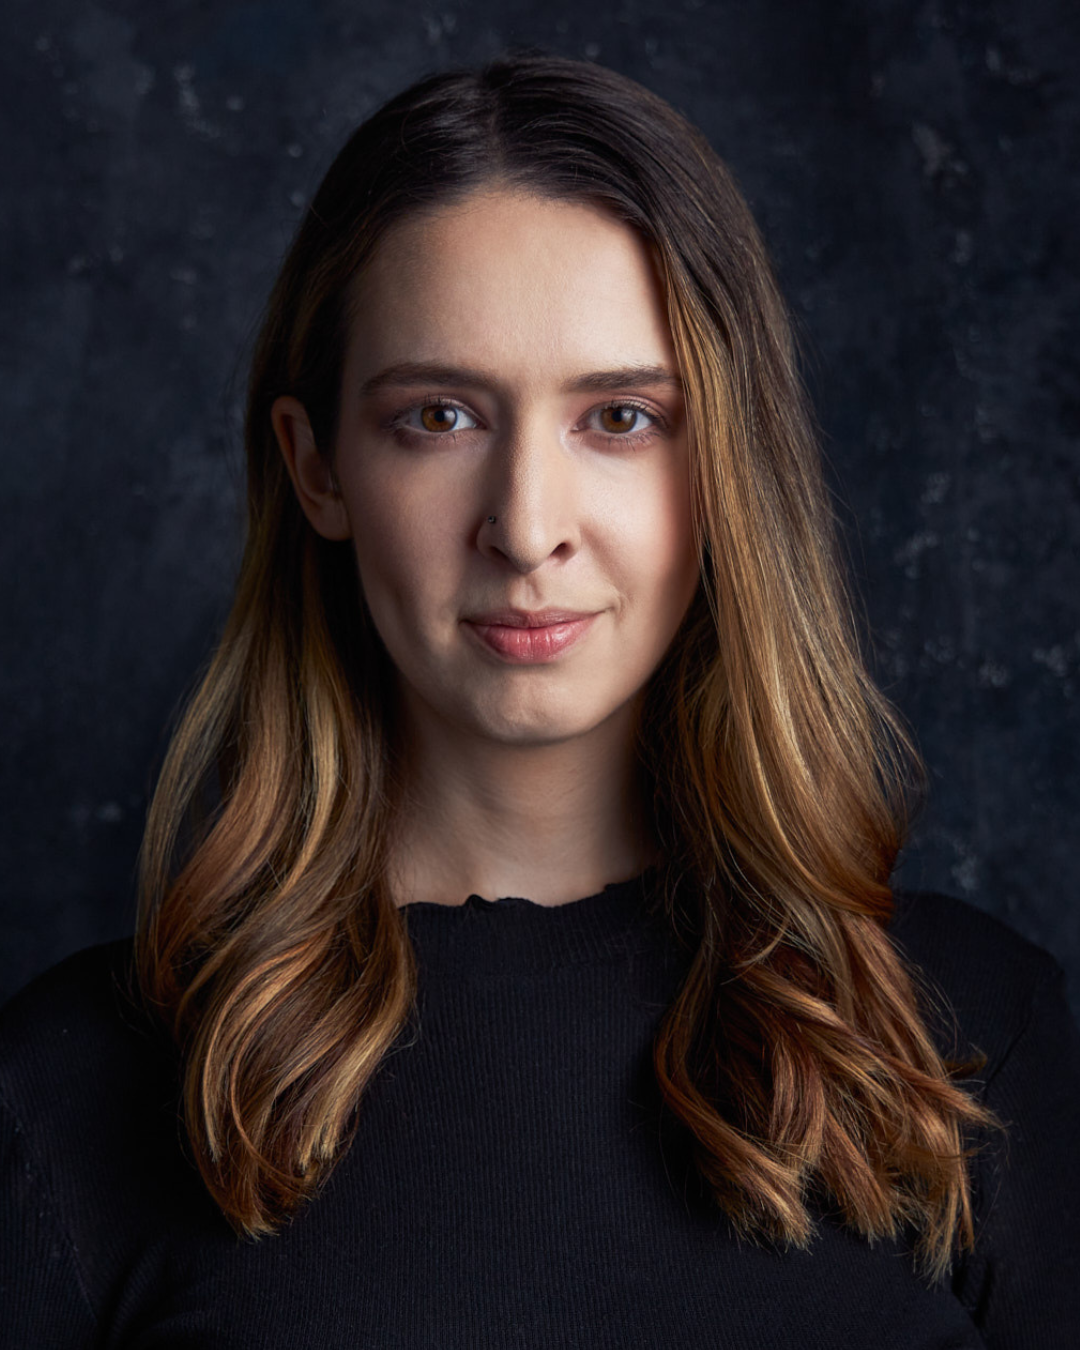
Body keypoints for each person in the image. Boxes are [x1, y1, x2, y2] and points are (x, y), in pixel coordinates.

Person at [2, 49, 1078, 1349]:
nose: (525, 526)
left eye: (619, 417)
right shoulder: (71, 1095)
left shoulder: (971, 1045)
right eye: (441, 416)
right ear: (318, 467)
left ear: (726, 464)